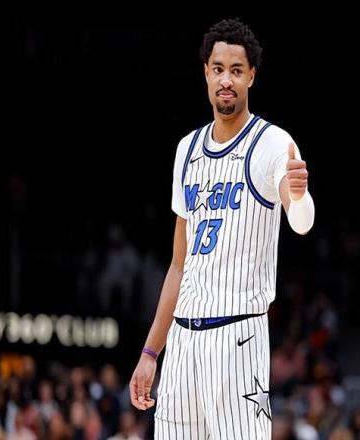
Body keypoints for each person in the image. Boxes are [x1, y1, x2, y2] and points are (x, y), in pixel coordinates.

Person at [129, 17, 315, 439]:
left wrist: (300, 196)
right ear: (206, 73)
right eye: (218, 69)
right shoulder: (186, 149)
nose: (226, 79)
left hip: (238, 337)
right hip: (183, 342)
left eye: (235, 70)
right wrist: (150, 352)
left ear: (251, 76)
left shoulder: (273, 143)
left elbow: (301, 222)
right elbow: (179, 266)